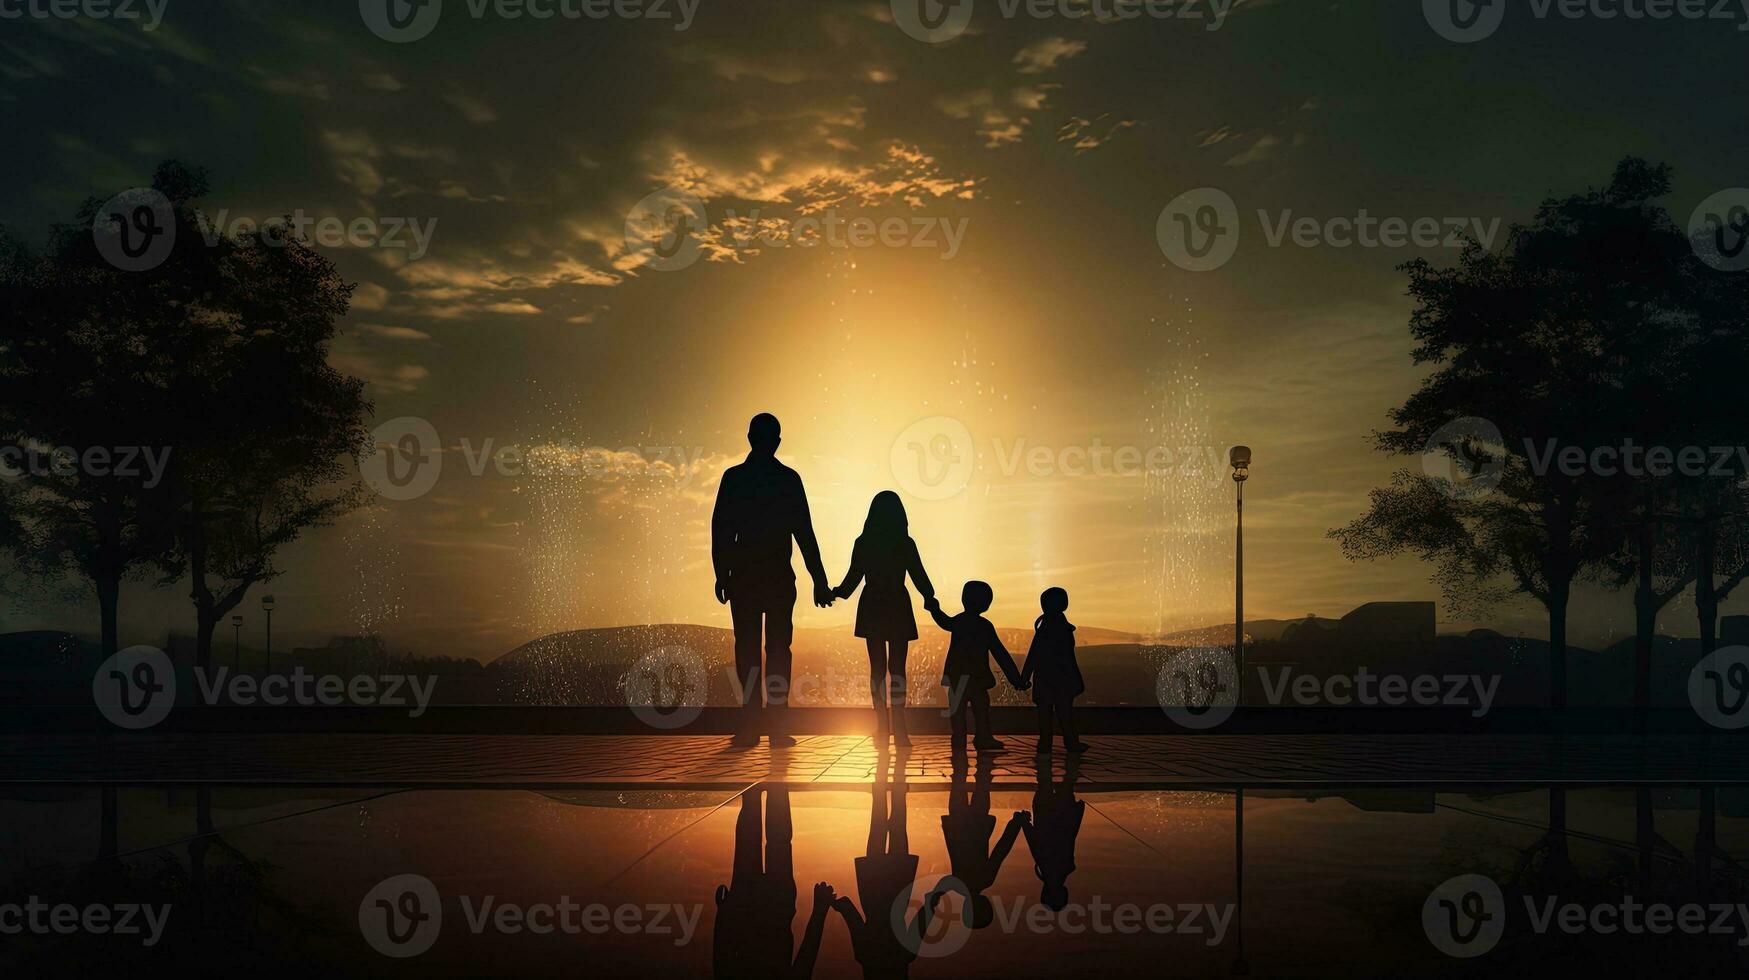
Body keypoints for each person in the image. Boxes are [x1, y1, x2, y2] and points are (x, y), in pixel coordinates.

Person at [711, 413, 835, 747]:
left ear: (750, 437)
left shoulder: (736, 479)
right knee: (774, 650)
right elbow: (804, 534)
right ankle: (773, 725)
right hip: (772, 578)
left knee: (752, 651)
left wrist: (722, 572)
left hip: (751, 578)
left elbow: (722, 529)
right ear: (775, 441)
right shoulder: (786, 480)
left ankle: (756, 724)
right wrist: (818, 580)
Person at [834, 491, 935, 746]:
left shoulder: (864, 542)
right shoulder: (904, 542)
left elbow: (852, 580)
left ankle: (882, 728)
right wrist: (929, 597)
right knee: (897, 670)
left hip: (873, 605)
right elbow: (918, 575)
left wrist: (833, 593)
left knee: (877, 669)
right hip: (898, 604)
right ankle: (900, 729)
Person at [712, 784, 833, 979]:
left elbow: (806, 958)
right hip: (754, 911)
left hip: (771, 910)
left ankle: (775, 788)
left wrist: (820, 911)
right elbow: (722, 958)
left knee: (776, 843)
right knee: (752, 843)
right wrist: (723, 916)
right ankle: (763, 790)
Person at [925, 581, 1024, 754]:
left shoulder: (959, 622)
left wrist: (934, 609)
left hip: (957, 678)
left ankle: (959, 739)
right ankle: (982, 737)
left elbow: (944, 621)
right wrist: (1015, 678)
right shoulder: (984, 626)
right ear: (986, 604)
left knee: (958, 712)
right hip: (977, 679)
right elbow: (1000, 654)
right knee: (981, 709)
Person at [939, 756, 1024, 932]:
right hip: (958, 825)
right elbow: (942, 884)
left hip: (977, 826)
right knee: (959, 780)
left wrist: (1016, 823)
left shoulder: (985, 880)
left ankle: (982, 751)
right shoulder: (957, 883)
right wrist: (937, 897)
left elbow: (1002, 849)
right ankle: (960, 747)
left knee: (982, 782)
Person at [1018, 587, 1089, 755]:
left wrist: (1024, 677)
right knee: (1064, 713)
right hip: (1061, 678)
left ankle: (1046, 745)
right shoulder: (1059, 628)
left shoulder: (1045, 628)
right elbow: (1066, 657)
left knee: (1046, 714)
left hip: (1046, 678)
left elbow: (1033, 655)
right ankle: (1069, 743)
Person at [1020, 756, 1085, 913]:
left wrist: (1077, 813)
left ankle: (1070, 753)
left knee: (1067, 780)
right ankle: (1046, 749)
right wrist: (1024, 823)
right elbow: (1033, 840)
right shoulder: (1046, 868)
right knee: (1045, 779)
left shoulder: (1064, 868)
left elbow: (1070, 835)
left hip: (1064, 814)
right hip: (1045, 813)